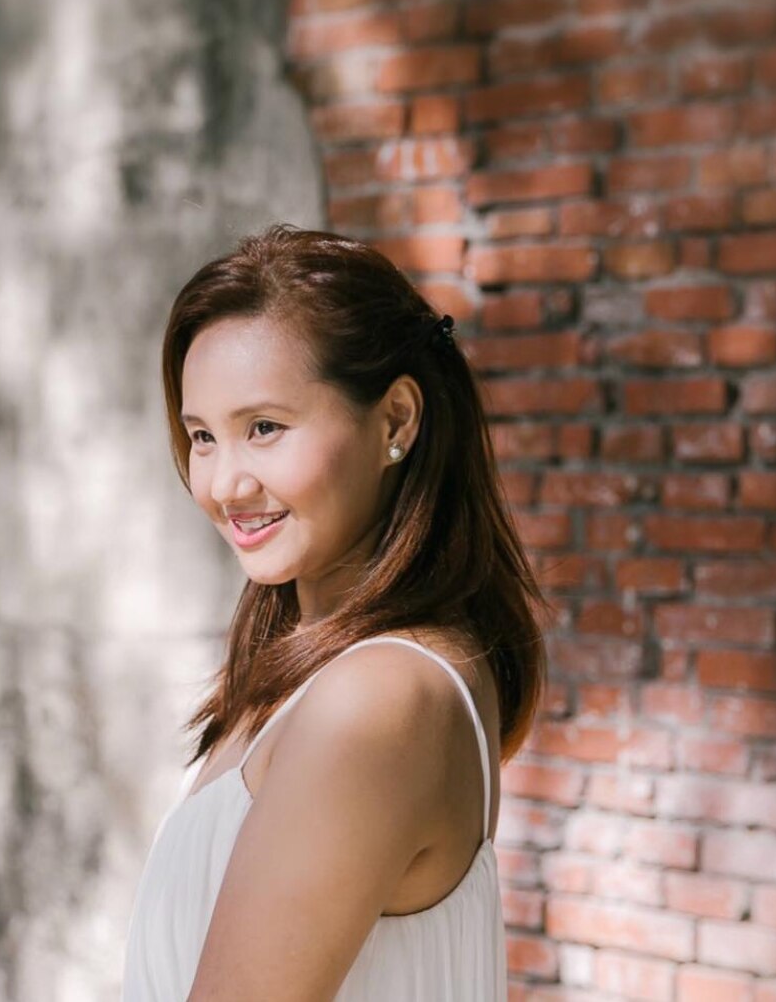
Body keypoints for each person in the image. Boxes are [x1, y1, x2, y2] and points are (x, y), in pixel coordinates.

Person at [122, 223, 551, 1001]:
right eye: (202, 437)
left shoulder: (379, 701)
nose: (224, 484)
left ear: (395, 422)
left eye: (264, 428)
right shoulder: (320, 675)